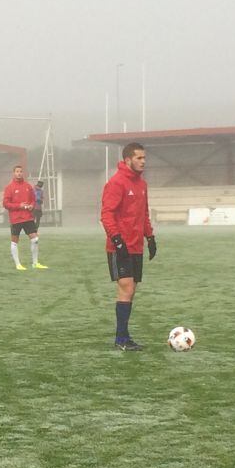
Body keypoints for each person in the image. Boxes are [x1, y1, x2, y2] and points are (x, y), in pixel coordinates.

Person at [100, 142, 157, 351]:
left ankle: (123, 337)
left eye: (144, 158)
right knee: (127, 287)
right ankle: (121, 339)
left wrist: (150, 237)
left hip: (136, 246)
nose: (143, 161)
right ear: (127, 160)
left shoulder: (142, 185)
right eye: (139, 158)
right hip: (120, 246)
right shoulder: (116, 183)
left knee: (131, 291)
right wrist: (117, 240)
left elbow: (144, 214)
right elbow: (106, 215)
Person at [2, 165, 48, 271]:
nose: (19, 173)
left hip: (28, 217)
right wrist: (19, 205)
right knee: (14, 241)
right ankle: (18, 264)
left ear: (23, 173)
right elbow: (5, 204)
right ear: (14, 173)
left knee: (35, 239)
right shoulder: (9, 188)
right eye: (17, 171)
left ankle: (35, 263)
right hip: (16, 218)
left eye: (21, 171)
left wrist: (32, 205)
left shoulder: (28, 186)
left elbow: (33, 199)